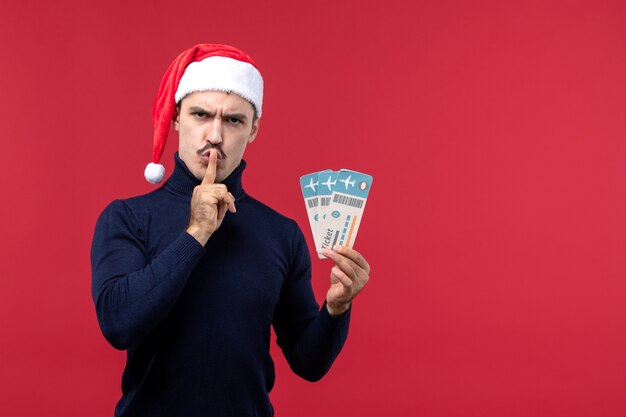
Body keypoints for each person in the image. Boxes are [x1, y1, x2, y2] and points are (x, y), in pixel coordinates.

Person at [91, 44, 370, 417]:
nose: (215, 135)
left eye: (234, 120)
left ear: (253, 129)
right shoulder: (127, 217)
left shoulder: (281, 234)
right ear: (176, 118)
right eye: (201, 115)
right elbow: (119, 324)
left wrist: (336, 308)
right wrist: (196, 233)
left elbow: (309, 362)